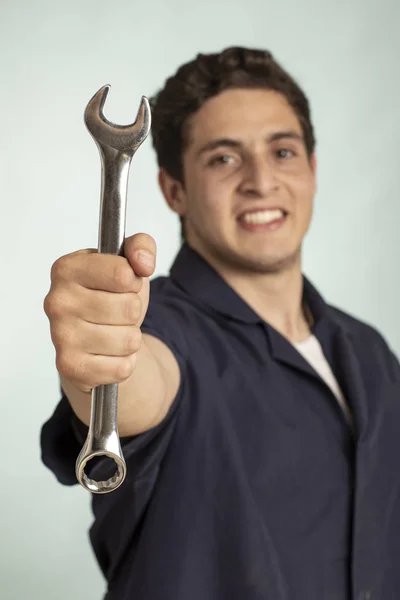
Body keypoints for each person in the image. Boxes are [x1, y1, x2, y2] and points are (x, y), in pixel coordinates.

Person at [41, 47, 400, 600]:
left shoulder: (370, 352)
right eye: (224, 159)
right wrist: (99, 352)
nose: (261, 181)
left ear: (311, 169)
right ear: (174, 190)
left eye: (283, 151)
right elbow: (137, 380)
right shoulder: (157, 326)